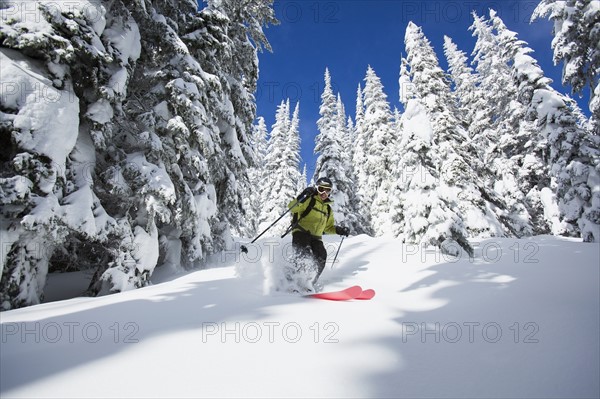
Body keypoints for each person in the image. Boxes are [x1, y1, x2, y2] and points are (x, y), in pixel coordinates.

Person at [287, 176, 350, 291]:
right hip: (301, 232)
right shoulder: (309, 199)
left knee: (321, 256)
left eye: (327, 190)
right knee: (304, 254)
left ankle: (309, 283)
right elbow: (292, 208)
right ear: (317, 188)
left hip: (316, 237)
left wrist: (339, 230)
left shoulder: (328, 209)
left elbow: (328, 227)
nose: (324, 193)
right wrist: (302, 196)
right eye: (321, 189)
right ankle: (293, 282)